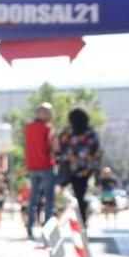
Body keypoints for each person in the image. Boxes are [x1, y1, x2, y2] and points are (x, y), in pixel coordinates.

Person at [58, 107, 101, 228]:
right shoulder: (90, 133)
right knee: (81, 193)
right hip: (86, 168)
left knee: (77, 193)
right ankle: (82, 217)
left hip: (72, 168)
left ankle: (80, 217)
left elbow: (61, 147)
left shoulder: (67, 132)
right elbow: (96, 150)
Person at [24, 102, 56, 240]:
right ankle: (47, 228)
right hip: (46, 166)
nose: (50, 115)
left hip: (32, 166)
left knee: (33, 198)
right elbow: (53, 147)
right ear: (41, 113)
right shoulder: (48, 128)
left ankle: (29, 227)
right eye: (48, 112)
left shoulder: (28, 128)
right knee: (48, 198)